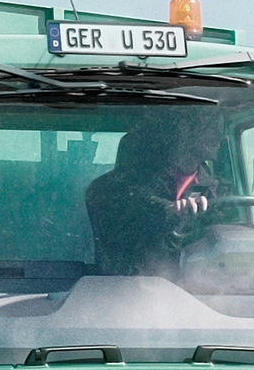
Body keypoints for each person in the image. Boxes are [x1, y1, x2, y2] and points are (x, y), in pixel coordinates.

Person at [85, 116, 220, 278]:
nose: (218, 134)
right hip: (124, 287)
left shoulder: (218, 188)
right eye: (207, 125)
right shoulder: (108, 188)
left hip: (204, 288)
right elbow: (134, 206)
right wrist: (171, 211)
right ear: (179, 134)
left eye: (219, 127)